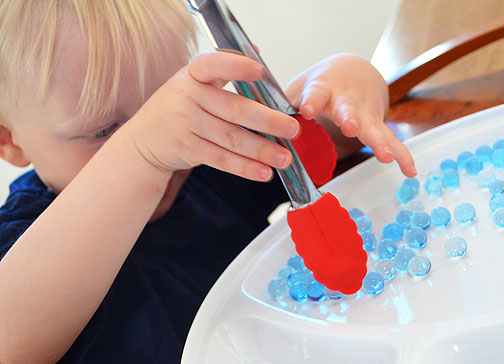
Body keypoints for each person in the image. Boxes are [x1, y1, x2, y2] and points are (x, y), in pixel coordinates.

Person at [0, 1, 416, 363]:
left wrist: (347, 85)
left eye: (163, 105)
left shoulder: (199, 161)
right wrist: (139, 151)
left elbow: (322, 149)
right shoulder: (26, 240)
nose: (163, 142)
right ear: (8, 139)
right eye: (104, 131)